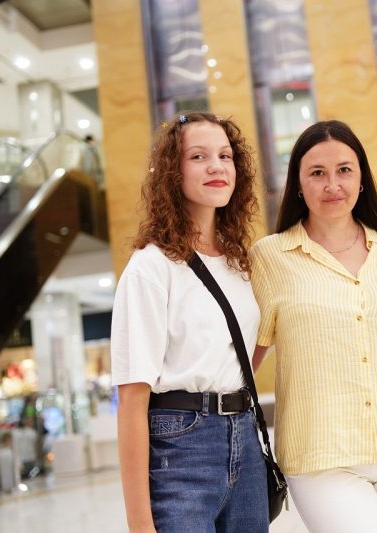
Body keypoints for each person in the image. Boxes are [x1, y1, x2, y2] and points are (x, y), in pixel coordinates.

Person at [250, 120, 377, 533]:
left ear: (361, 179)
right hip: (320, 455)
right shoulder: (269, 257)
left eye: (344, 170)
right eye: (317, 173)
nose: (332, 184)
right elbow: (246, 362)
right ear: (298, 185)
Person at [111, 112, 268, 533]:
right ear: (172, 173)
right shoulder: (151, 267)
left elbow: (243, 352)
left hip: (246, 437)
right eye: (198, 156)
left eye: (225, 156)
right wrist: (139, 523)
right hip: (180, 441)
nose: (217, 166)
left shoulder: (241, 262)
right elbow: (130, 401)